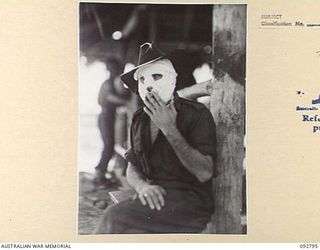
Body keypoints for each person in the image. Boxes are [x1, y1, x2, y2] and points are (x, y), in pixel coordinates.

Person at [95, 43, 217, 233]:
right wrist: (143, 187)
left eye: (156, 76)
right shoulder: (140, 118)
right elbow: (132, 167)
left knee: (114, 217)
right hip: (154, 196)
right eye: (142, 80)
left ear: (172, 79)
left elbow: (204, 172)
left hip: (191, 203)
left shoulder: (197, 114)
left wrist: (169, 128)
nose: (149, 85)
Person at [94, 57, 131, 186]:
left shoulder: (114, 82)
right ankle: (99, 173)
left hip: (110, 117)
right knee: (109, 145)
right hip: (105, 117)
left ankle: (102, 172)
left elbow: (122, 93)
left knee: (112, 145)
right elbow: (109, 97)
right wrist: (127, 102)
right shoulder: (108, 83)